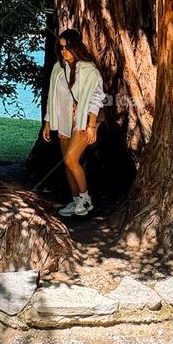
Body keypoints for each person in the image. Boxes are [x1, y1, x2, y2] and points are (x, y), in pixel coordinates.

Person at [42, 28, 106, 217]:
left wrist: (92, 126)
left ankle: (86, 200)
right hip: (63, 120)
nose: (64, 52)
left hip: (83, 120)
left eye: (68, 48)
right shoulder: (58, 68)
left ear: (76, 47)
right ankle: (75, 200)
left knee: (71, 159)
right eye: (61, 48)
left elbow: (97, 98)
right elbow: (51, 97)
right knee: (66, 162)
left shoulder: (89, 70)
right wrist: (47, 121)